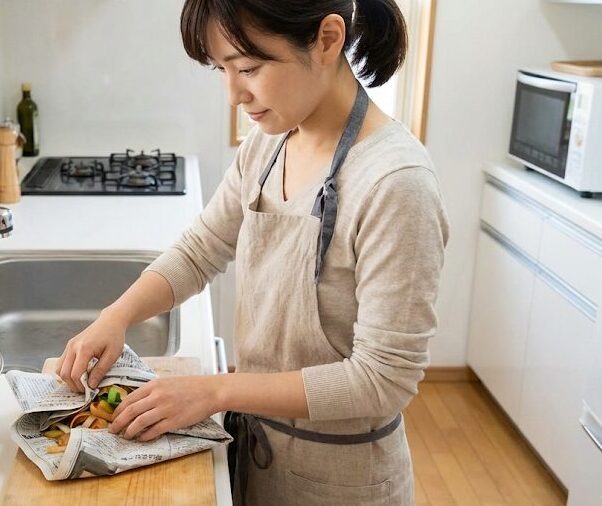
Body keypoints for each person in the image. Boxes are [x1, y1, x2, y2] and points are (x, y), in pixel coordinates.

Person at [57, 0, 449, 503]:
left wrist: (215, 391)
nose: (234, 94)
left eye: (249, 68)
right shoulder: (269, 144)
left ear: (328, 39)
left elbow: (382, 379)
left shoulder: (396, 184)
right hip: (259, 452)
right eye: (222, 70)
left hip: (341, 478)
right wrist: (117, 315)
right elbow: (202, 249)